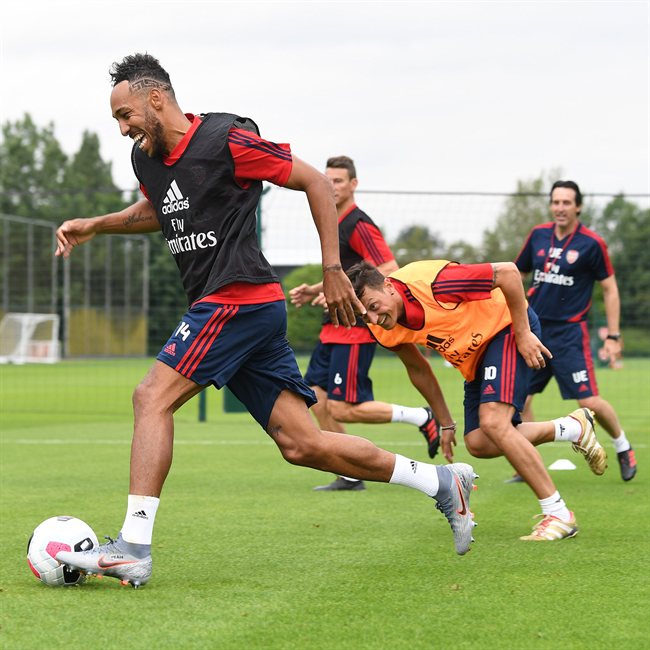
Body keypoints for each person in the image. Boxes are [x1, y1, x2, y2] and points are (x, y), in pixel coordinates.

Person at [53, 54, 479, 587]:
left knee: (150, 397)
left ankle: (134, 546)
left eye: (126, 114)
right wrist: (98, 224)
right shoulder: (148, 160)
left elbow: (315, 184)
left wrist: (331, 269)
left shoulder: (226, 138)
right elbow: (160, 210)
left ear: (155, 98)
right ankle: (441, 482)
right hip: (234, 309)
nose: (122, 128)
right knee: (303, 444)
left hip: (237, 298)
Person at [347, 259, 608, 542]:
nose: (373, 319)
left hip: (506, 328)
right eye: (364, 316)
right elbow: (418, 370)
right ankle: (572, 428)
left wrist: (523, 333)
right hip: (475, 358)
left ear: (387, 286)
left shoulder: (433, 283)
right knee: (479, 443)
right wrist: (445, 423)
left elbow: (508, 273)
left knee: (495, 422)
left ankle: (558, 514)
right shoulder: (381, 327)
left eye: (373, 307)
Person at [289, 156, 442, 492]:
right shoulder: (333, 219)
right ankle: (349, 471)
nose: (332, 187)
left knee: (344, 408)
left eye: (339, 181)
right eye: (326, 180)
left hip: (355, 328)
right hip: (333, 326)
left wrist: (357, 304)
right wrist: (319, 289)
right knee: (315, 397)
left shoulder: (359, 224)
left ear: (353, 184)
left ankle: (422, 417)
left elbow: (389, 269)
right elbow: (348, 272)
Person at [514, 180, 636, 482]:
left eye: (566, 203)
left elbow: (610, 289)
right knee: (521, 399)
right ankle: (527, 462)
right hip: (535, 332)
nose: (560, 208)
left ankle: (623, 447)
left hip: (570, 336)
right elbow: (517, 274)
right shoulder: (538, 235)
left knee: (589, 402)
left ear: (578, 206)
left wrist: (613, 335)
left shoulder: (592, 244)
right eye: (556, 202)